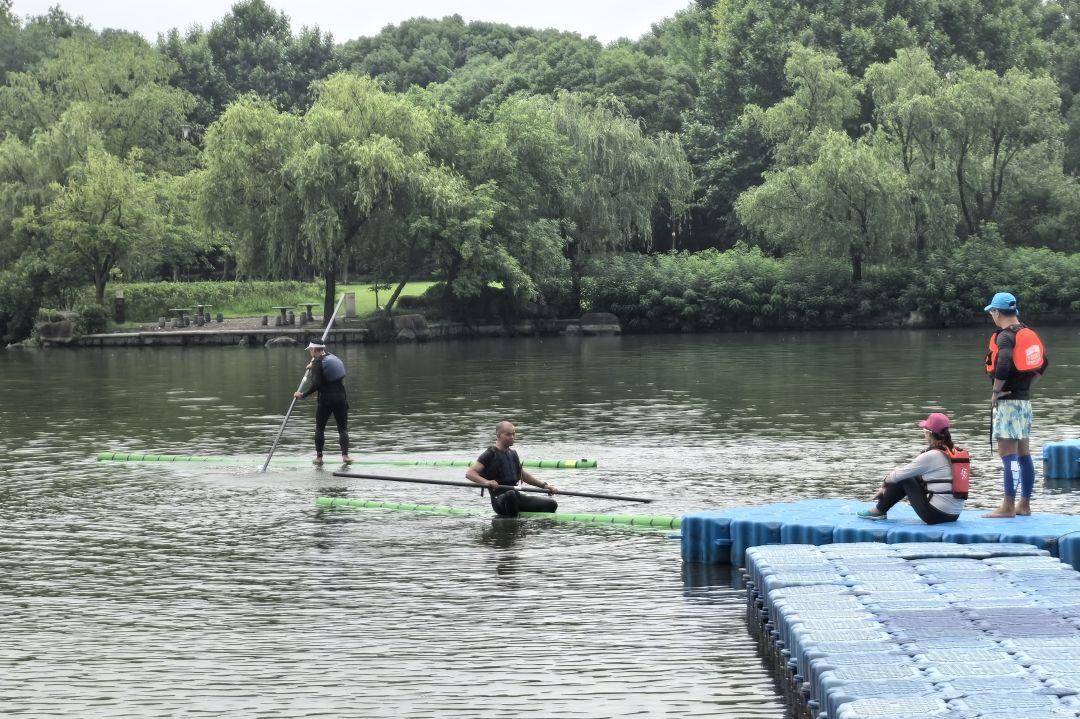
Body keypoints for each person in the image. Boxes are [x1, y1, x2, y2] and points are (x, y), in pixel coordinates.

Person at [982, 291, 1048, 518]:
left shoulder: (1005, 336)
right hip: (1023, 402)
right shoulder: (1027, 333)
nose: (992, 315)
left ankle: (1008, 506)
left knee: (1007, 454)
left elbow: (1002, 364)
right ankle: (1024, 505)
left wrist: (995, 392)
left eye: (992, 311)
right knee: (1024, 453)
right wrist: (1027, 386)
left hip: (1008, 402)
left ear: (997, 312)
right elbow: (1043, 363)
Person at [857, 412, 967, 524]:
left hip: (936, 516)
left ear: (929, 433)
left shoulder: (931, 455)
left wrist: (884, 485)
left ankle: (878, 510)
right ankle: (880, 510)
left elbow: (897, 475)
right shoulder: (954, 452)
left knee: (905, 478)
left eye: (924, 430)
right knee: (911, 476)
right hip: (954, 515)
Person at [465, 421, 559, 517]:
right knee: (511, 495)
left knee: (551, 504)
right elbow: (470, 473)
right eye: (508, 434)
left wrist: (544, 486)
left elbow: (523, 475)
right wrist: (486, 482)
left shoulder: (513, 453)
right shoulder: (490, 454)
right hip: (500, 500)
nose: (512, 437)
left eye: (514, 433)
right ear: (499, 435)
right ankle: (511, 526)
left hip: (516, 496)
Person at [292, 342, 352, 466]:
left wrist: (302, 395)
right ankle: (345, 456)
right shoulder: (333, 358)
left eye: (310, 350)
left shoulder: (318, 364)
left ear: (314, 350)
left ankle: (319, 458)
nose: (310, 352)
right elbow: (326, 368)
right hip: (341, 397)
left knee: (320, 428)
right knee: (342, 429)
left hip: (326, 400)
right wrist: (312, 366)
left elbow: (316, 385)